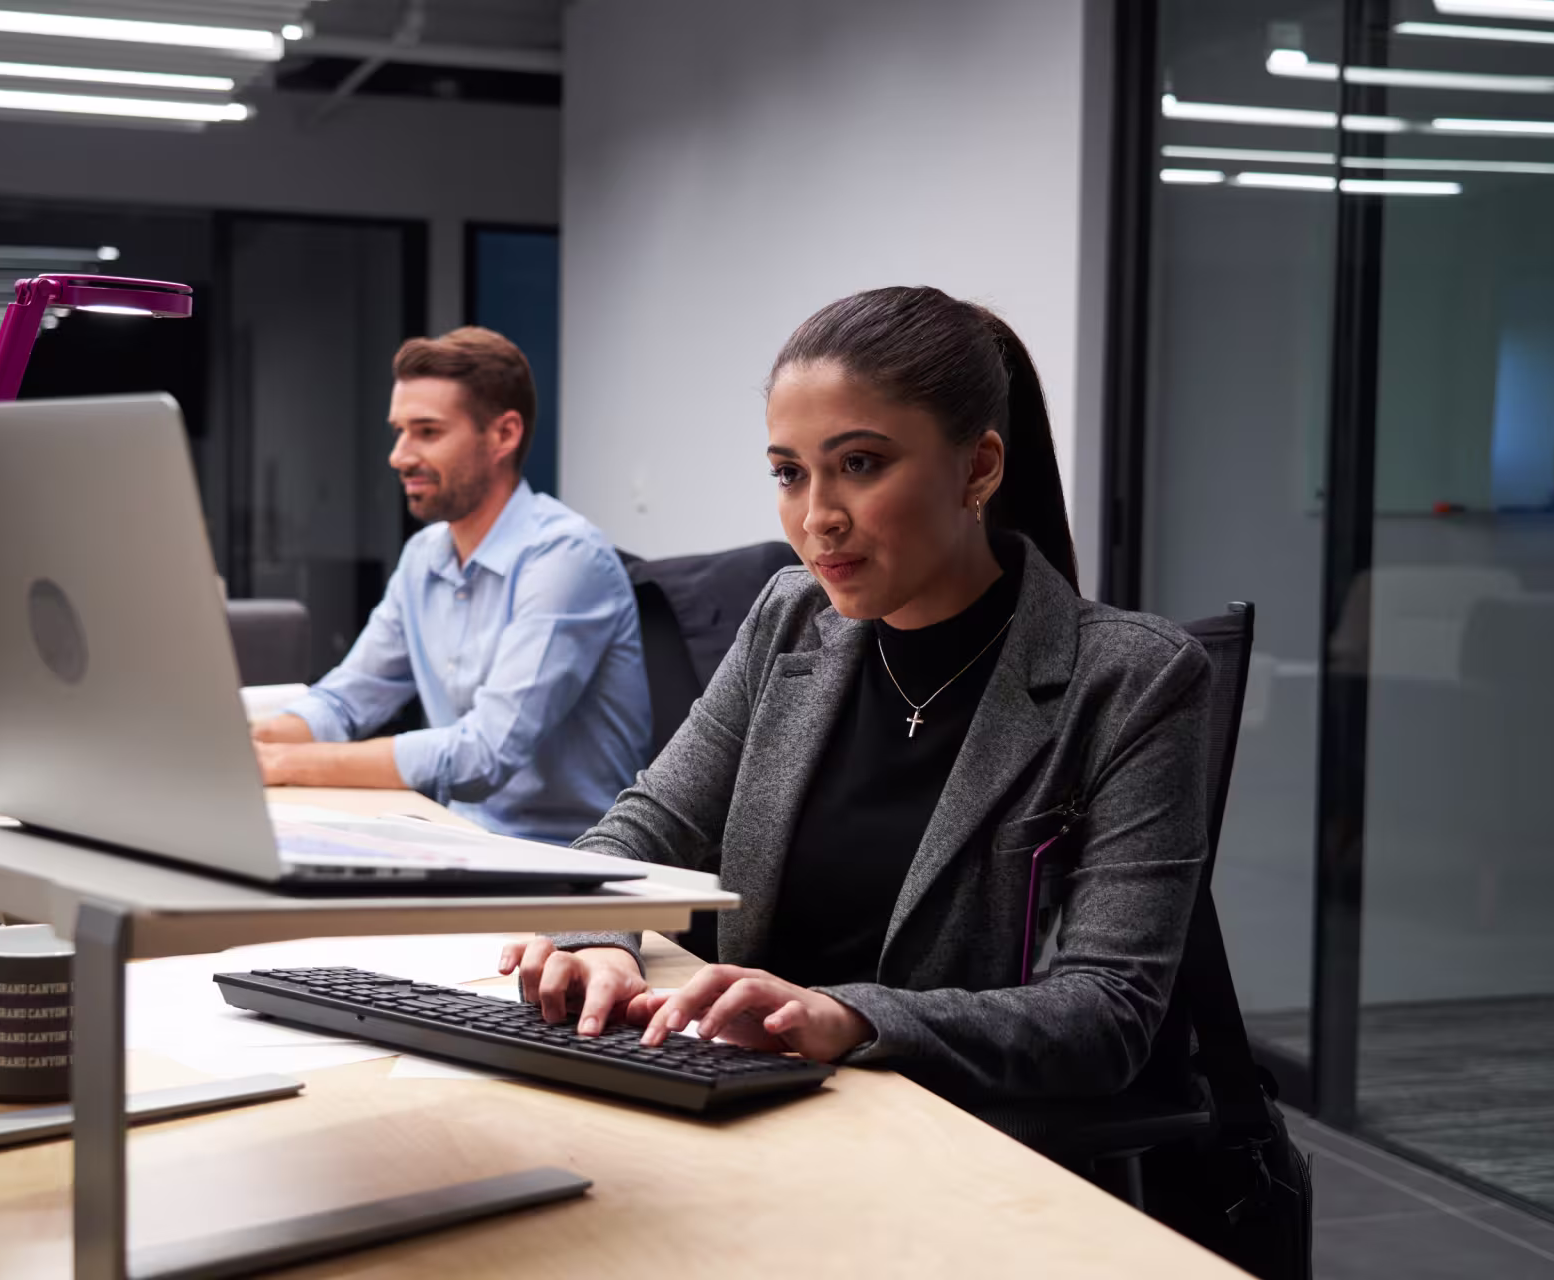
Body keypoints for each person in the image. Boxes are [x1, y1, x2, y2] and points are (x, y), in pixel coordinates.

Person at [500, 286, 1211, 1108]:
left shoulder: (1132, 679)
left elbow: (1108, 1012)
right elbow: (640, 831)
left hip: (954, 1138)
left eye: (860, 465)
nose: (816, 518)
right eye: (789, 474)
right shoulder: (788, 618)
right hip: (744, 1095)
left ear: (978, 467)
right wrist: (601, 944)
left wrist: (850, 1018)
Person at [252, 327, 651, 845]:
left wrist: (285, 763)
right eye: (399, 431)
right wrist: (246, 743)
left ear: (503, 435)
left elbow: (482, 755)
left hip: (566, 866)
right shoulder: (425, 556)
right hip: (458, 840)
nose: (399, 455)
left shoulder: (567, 559)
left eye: (427, 431)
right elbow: (347, 701)